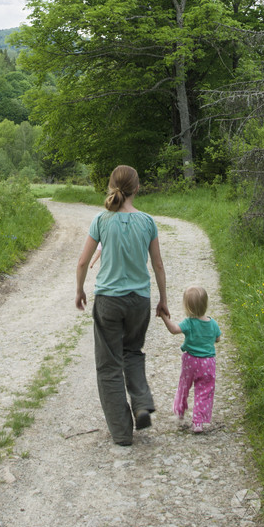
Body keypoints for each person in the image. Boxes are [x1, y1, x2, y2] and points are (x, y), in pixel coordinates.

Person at [75, 164, 170, 446]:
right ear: (137, 188)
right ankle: (141, 403)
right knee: (132, 352)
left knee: (109, 365)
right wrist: (163, 299)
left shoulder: (101, 221)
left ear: (110, 187)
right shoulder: (148, 222)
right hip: (139, 300)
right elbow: (158, 264)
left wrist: (79, 289)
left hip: (108, 301)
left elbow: (82, 261)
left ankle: (121, 432)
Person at [160, 285, 221, 433]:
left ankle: (179, 411)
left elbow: (174, 330)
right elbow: (218, 339)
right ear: (205, 304)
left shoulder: (189, 322)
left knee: (184, 385)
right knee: (204, 391)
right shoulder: (212, 323)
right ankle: (198, 422)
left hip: (190, 361)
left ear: (187, 307)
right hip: (208, 363)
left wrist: (164, 317)